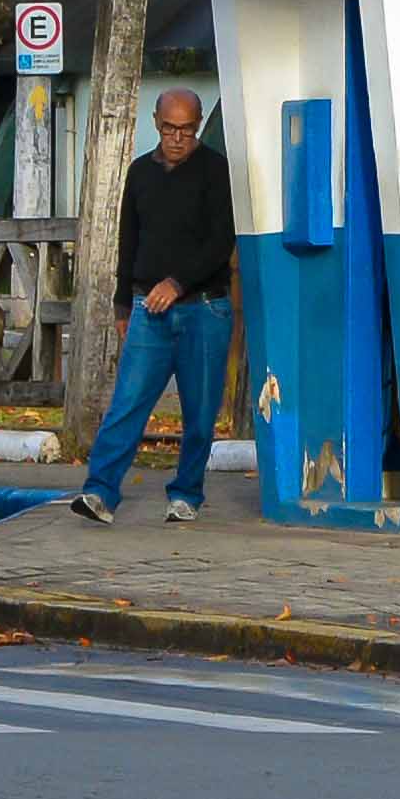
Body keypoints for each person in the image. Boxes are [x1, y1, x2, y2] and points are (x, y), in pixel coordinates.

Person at [70, 88, 237, 524]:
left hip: (205, 308)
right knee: (128, 400)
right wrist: (123, 302)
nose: (177, 138)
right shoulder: (140, 172)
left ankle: (186, 494)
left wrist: (177, 283)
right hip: (149, 308)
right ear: (156, 123)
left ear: (198, 126)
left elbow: (221, 243)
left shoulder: (216, 171)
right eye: (169, 128)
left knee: (199, 411)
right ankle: (99, 491)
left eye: (186, 129)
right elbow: (129, 240)